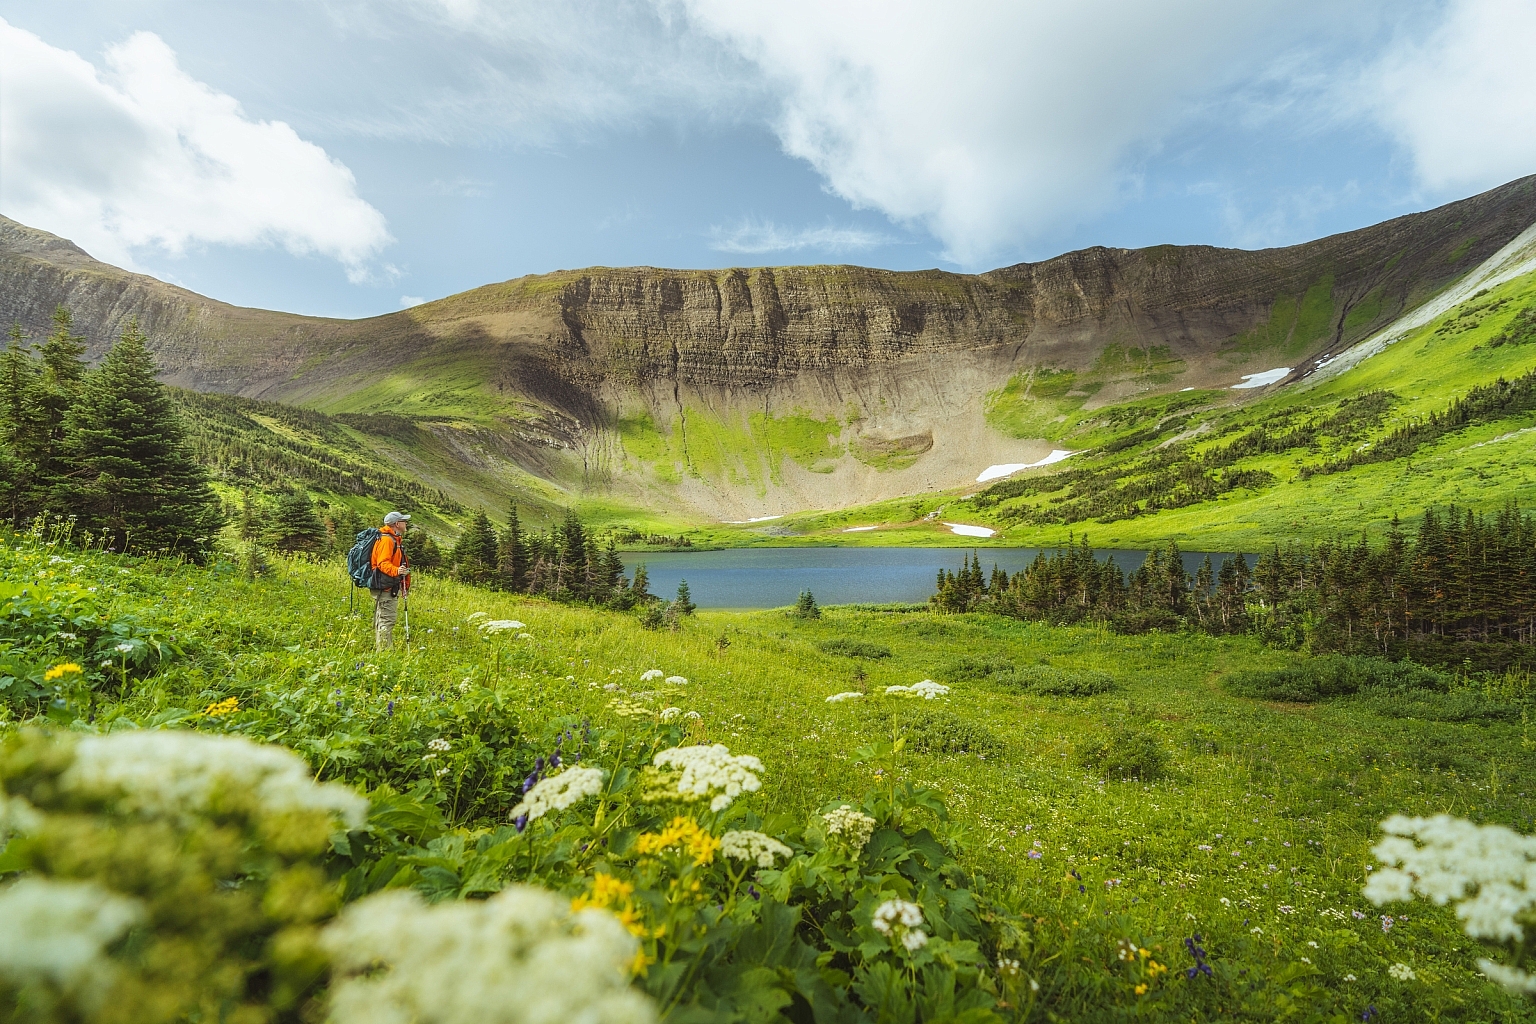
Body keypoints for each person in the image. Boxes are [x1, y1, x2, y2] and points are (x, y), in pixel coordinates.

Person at [370, 511, 411, 649]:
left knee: (383, 620)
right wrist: (397, 571)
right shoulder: (387, 540)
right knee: (387, 620)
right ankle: (384, 653)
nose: (406, 524)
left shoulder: (393, 539)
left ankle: (383, 650)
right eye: (404, 521)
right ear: (397, 524)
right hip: (385, 588)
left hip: (388, 586)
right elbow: (382, 563)